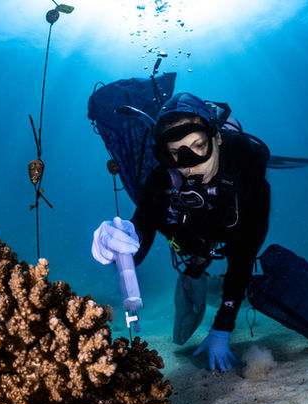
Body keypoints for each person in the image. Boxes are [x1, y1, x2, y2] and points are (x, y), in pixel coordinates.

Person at [92, 92, 271, 372]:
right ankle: (199, 265)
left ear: (217, 139)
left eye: (198, 146)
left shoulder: (244, 164)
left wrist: (222, 328)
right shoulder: (161, 182)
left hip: (234, 236)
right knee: (196, 263)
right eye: (175, 153)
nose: (188, 162)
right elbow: (136, 242)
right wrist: (113, 245)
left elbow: (245, 253)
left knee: (240, 253)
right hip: (194, 244)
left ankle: (201, 265)